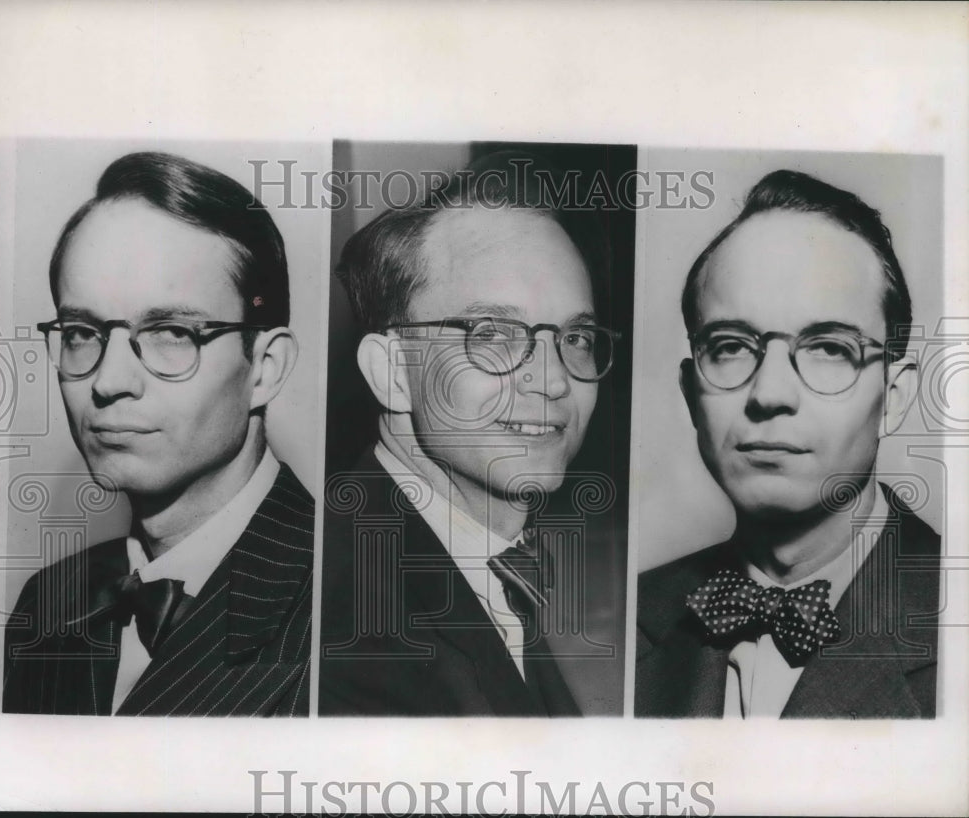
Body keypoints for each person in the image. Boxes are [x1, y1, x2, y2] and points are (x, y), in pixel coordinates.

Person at [2, 151, 315, 716]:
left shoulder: (358, 614)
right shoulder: (46, 604)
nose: (108, 381)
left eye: (171, 332)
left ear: (264, 368)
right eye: (81, 332)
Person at [319, 156, 621, 715]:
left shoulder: (461, 554)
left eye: (576, 337)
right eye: (494, 334)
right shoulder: (346, 627)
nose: (555, 379)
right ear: (391, 372)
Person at [635, 169, 940, 718]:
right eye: (730, 346)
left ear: (894, 396)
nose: (769, 394)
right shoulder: (625, 622)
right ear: (690, 393)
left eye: (827, 347)